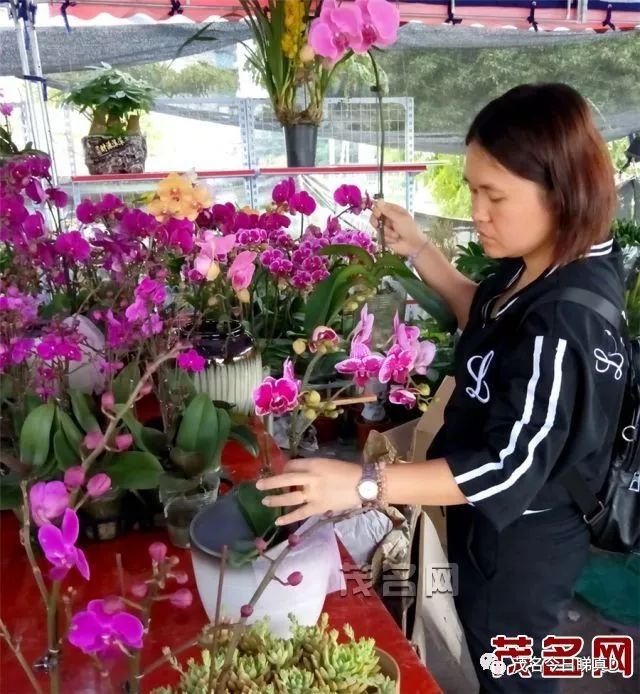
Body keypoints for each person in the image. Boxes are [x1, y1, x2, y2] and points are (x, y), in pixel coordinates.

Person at [256, 83, 627, 693]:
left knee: (512, 667)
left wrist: (364, 484)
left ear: (561, 192)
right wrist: (420, 250)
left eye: (494, 195)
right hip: (484, 523)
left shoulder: (569, 323)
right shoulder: (539, 262)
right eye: (474, 187)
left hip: (521, 543)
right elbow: (485, 315)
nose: (476, 209)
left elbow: (508, 467)